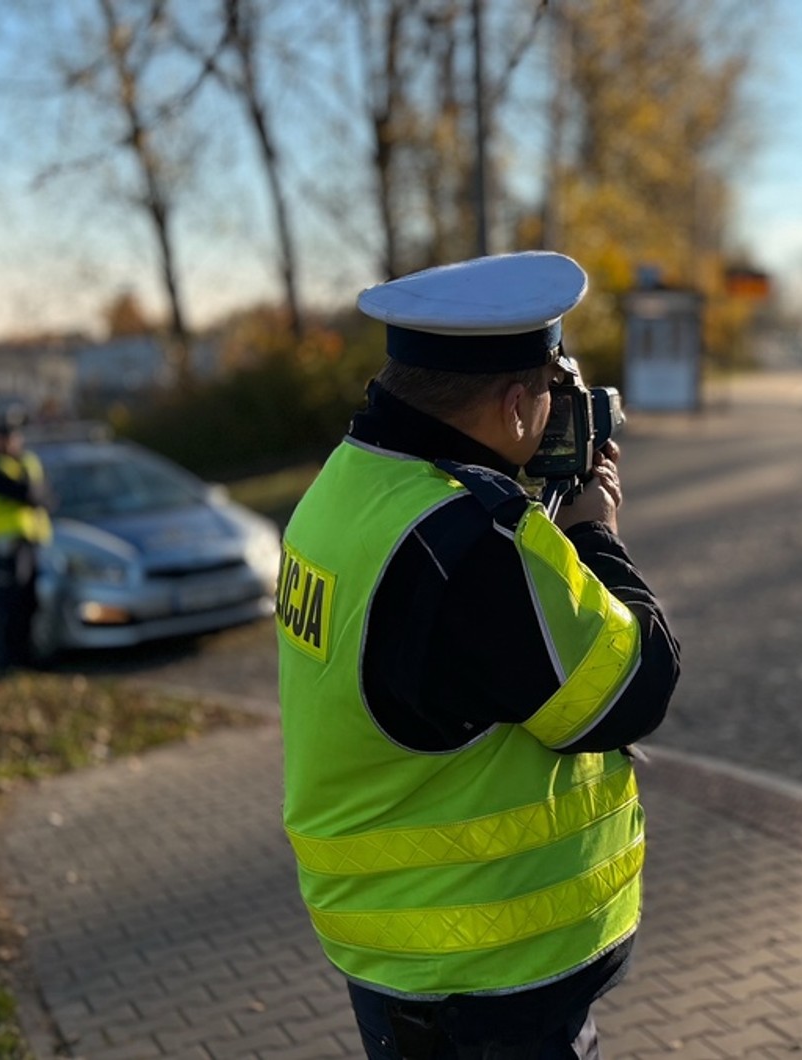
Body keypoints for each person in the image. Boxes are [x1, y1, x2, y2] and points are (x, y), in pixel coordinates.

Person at [277, 251, 681, 1060]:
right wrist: (596, 537)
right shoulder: (471, 544)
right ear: (514, 403)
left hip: (396, 955)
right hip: (489, 977)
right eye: (551, 393)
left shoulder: (347, 487)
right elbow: (636, 685)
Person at [0, 418, 53, 669]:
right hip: (5, 544)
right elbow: (27, 493)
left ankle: (24, 656)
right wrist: (34, 494)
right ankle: (3, 658)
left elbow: (47, 497)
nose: (11, 442)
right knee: (6, 604)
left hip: (31, 542)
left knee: (27, 602)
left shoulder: (28, 461)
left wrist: (35, 494)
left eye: (13, 437)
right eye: (5, 438)